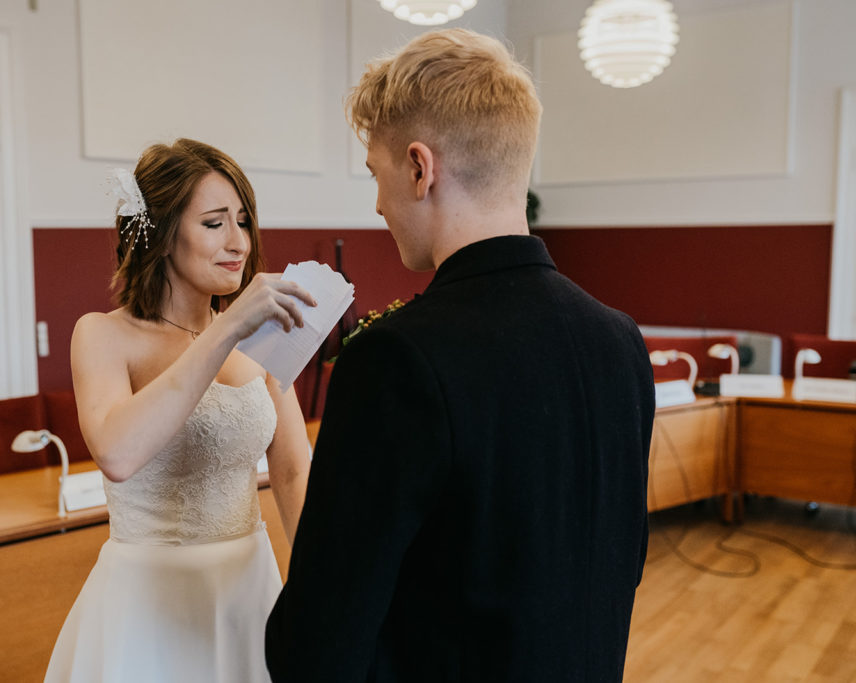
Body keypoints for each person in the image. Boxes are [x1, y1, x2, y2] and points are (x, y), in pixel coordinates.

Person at [265, 29, 654, 682]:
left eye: (378, 175)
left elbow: (316, 646)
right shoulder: (620, 339)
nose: (378, 204)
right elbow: (619, 564)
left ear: (420, 167)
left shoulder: (394, 359)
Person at [45, 139, 314, 682]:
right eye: (214, 223)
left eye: (243, 220)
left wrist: (323, 585)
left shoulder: (259, 336)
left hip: (248, 591)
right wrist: (228, 329)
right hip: (147, 609)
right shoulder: (102, 335)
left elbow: (291, 468)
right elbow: (117, 452)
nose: (238, 242)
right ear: (164, 235)